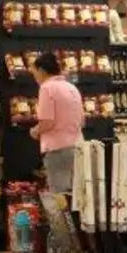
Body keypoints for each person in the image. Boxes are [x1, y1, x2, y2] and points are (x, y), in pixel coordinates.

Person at [29, 53, 84, 193]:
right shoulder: (71, 88)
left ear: (41, 71)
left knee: (59, 196)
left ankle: (61, 216)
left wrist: (35, 130)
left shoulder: (47, 88)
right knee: (76, 195)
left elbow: (48, 121)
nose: (34, 77)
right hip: (78, 147)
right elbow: (82, 121)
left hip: (58, 150)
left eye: (34, 73)